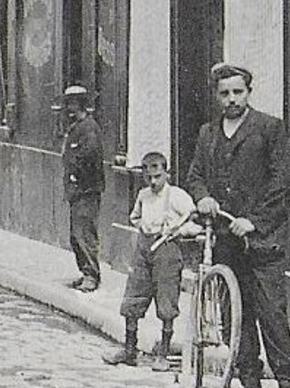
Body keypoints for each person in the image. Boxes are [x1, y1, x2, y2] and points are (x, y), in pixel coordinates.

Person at [186, 62, 290, 388]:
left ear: (249, 92)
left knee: (271, 312)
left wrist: (253, 221)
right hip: (223, 237)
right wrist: (202, 196)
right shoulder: (207, 134)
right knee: (235, 314)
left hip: (261, 240)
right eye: (224, 93)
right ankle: (249, 383)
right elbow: (194, 175)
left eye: (238, 92)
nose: (231, 99)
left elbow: (283, 182)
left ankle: (287, 387)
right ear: (216, 96)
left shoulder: (269, 129)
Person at [104, 151, 197, 367]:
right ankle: (129, 350)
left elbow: (194, 219)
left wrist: (181, 231)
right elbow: (134, 216)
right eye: (149, 177)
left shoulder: (177, 196)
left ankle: (162, 354)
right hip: (144, 248)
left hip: (167, 250)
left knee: (166, 302)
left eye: (157, 176)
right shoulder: (143, 195)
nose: (153, 182)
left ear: (167, 174)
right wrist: (142, 227)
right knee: (133, 298)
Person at [60, 85, 105, 293]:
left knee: (84, 233)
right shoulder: (76, 127)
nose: (69, 108)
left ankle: (92, 276)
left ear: (81, 104)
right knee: (75, 234)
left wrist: (75, 173)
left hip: (86, 189)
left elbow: (90, 156)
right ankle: (85, 271)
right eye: (68, 103)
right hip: (77, 190)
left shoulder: (89, 128)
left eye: (72, 103)